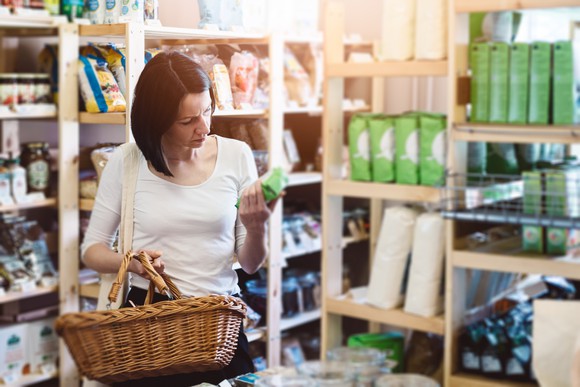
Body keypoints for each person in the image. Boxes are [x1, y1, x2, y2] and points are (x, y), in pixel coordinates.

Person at [81, 51, 280, 386]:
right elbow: (92, 251)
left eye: (207, 111)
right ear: (156, 121)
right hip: (151, 326)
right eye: (187, 121)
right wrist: (132, 263)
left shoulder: (236, 156)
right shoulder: (127, 162)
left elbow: (249, 264)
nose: (203, 128)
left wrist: (257, 227)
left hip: (219, 323)